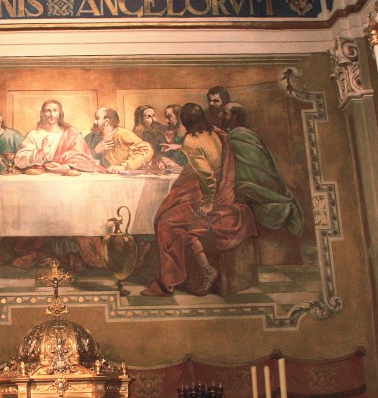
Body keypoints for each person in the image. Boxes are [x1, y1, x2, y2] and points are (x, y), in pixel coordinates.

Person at [141, 103, 257, 297]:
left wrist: (208, 202)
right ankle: (199, 271)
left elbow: (207, 177)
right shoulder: (216, 132)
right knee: (170, 215)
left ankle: (181, 277)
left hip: (211, 194)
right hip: (225, 189)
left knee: (165, 221)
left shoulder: (191, 142)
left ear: (185, 122)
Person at [221, 102, 302, 236]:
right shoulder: (246, 134)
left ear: (235, 117)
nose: (221, 116)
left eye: (225, 113)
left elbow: (245, 171)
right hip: (259, 185)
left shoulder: (238, 137)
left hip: (257, 187)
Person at [14, 99, 98, 172]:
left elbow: (83, 158)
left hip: (65, 177)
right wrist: (41, 153)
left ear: (60, 113)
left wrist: (67, 167)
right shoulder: (34, 134)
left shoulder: (72, 134)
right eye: (48, 111)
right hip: (40, 178)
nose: (51, 114)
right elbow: (19, 160)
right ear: (43, 113)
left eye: (55, 110)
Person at [91, 107, 152, 173]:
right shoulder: (92, 137)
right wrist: (95, 150)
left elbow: (147, 150)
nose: (94, 122)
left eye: (97, 119)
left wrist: (124, 166)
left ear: (106, 121)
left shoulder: (122, 134)